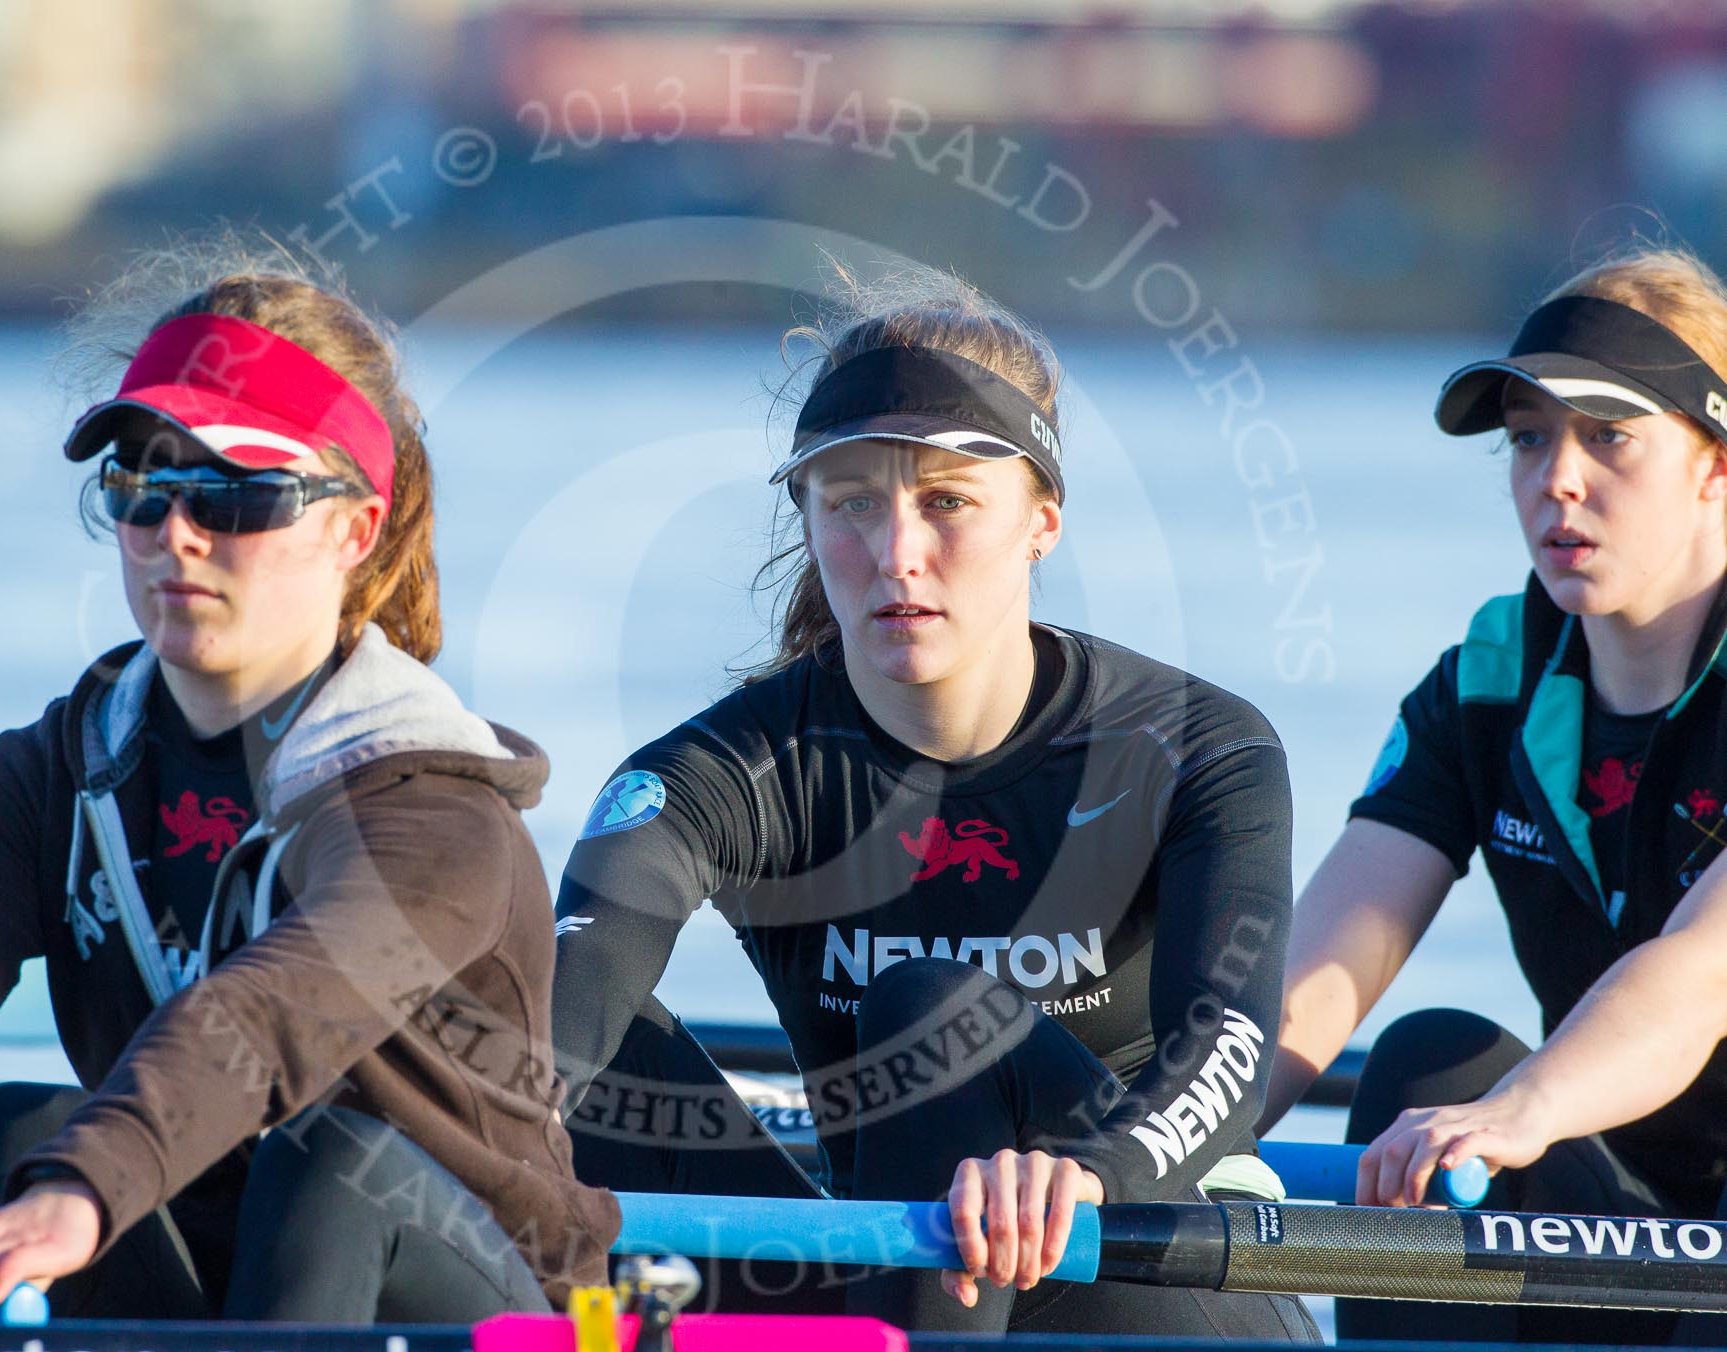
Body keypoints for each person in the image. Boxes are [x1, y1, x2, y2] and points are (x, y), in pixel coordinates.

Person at [0, 250, 617, 1323]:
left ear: (352, 527)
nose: (175, 532)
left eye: (237, 491)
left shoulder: (438, 814)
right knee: (18, 1133)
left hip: (498, 1307)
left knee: (326, 1172)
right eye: (143, 485)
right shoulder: (41, 780)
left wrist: (87, 1190)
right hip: (222, 1271)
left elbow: (268, 1012)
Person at [550, 263, 1318, 1340]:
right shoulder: (729, 770)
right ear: (810, 521)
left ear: (1041, 522)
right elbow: (575, 978)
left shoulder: (1195, 746)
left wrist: (1086, 1173)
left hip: (1146, 1250)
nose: (896, 553)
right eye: (854, 502)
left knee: (928, 1004)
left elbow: (1228, 1053)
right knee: (534, 1026)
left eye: (949, 502)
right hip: (895, 1268)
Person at [1258, 245, 1727, 1345]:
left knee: (1481, 1102)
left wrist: (1525, 1108)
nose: (1556, 478)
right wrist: (1139, 1146)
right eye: (1528, 437)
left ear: (1716, 460)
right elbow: (1313, 978)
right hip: (1617, 1212)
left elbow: (1698, 980)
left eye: (1607, 434)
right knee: (1430, 1060)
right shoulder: (1489, 675)